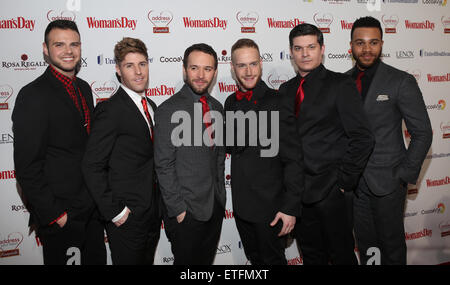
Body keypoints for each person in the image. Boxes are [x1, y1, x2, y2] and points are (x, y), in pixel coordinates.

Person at [278, 23, 375, 265]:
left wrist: (344, 181)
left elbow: (363, 137)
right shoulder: (286, 90)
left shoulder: (340, 85)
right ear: (291, 52)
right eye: (298, 48)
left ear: (322, 49)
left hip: (332, 192)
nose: (305, 53)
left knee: (342, 256)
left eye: (311, 47)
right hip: (299, 194)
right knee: (311, 257)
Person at [12, 20, 106, 265]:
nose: (68, 51)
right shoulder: (32, 95)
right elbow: (27, 167)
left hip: (92, 213)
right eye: (59, 44)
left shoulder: (84, 88)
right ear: (45, 48)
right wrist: (57, 216)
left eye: (74, 44)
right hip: (63, 218)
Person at [347, 16, 432, 265]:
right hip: (355, 186)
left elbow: (423, 132)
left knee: (391, 246)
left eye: (373, 42)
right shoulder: (343, 82)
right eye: (360, 43)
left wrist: (402, 175)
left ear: (382, 44)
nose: (366, 49)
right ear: (350, 46)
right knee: (367, 245)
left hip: (388, 183)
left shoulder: (400, 81)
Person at [82, 37, 161, 265]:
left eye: (142, 64)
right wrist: (116, 212)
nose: (138, 72)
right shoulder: (110, 110)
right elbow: (92, 165)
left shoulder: (152, 107)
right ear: (118, 70)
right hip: (128, 218)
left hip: (152, 214)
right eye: (129, 66)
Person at [224, 38, 303, 265]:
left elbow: (294, 159)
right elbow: (233, 146)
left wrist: (289, 208)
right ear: (232, 67)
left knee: (272, 261)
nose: (248, 71)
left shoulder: (278, 102)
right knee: (255, 262)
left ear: (260, 64)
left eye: (253, 64)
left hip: (271, 207)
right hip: (241, 205)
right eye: (241, 65)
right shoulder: (230, 102)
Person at [154, 43, 226, 265]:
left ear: (215, 72)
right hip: (186, 212)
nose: (201, 75)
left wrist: (220, 197)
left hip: (214, 206)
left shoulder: (217, 107)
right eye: (194, 68)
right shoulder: (168, 109)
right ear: (184, 69)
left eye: (207, 69)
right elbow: (163, 165)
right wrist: (178, 211)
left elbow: (219, 159)